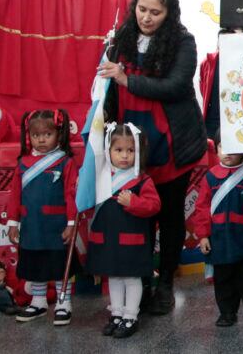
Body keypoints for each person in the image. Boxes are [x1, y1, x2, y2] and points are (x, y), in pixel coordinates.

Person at [98, 0, 207, 315]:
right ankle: (139, 282)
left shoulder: (183, 41)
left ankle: (165, 285)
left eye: (155, 12)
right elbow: (109, 89)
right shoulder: (122, 39)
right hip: (130, 145)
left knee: (170, 216)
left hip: (169, 141)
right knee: (136, 216)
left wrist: (127, 79)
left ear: (168, 12)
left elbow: (175, 86)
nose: (146, 17)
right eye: (142, 9)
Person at [86, 123, 162, 339]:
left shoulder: (142, 179)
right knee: (114, 277)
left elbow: (154, 205)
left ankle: (131, 316)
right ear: (108, 151)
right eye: (118, 150)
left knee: (131, 278)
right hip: (109, 238)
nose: (125, 156)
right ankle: (117, 313)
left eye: (131, 150)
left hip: (132, 240)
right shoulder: (101, 177)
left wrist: (134, 202)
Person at [6, 109, 77, 325]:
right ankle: (38, 302)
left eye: (47, 134)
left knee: (58, 265)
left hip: (56, 225)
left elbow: (72, 194)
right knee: (34, 264)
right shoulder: (22, 163)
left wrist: (71, 223)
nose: (41, 140)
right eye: (36, 135)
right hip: (31, 226)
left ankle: (64, 302)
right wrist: (13, 222)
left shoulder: (65, 162)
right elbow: (14, 195)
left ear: (59, 134)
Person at [193, 135, 243, 329]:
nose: (228, 152)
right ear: (216, 149)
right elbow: (202, 208)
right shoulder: (210, 176)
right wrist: (203, 235)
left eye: (233, 147)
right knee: (223, 280)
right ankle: (227, 312)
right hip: (219, 239)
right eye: (223, 146)